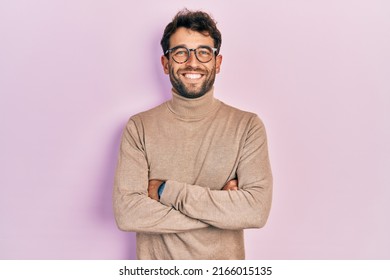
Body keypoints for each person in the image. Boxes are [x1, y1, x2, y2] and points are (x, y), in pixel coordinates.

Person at [113, 8, 273, 260]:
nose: (192, 62)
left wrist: (166, 191)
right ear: (166, 64)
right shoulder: (139, 127)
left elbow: (255, 211)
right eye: (180, 53)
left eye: (203, 52)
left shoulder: (247, 126)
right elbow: (128, 214)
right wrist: (221, 210)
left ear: (217, 63)